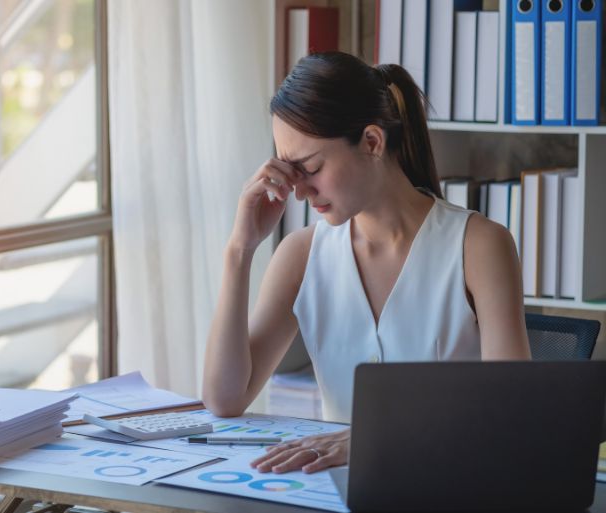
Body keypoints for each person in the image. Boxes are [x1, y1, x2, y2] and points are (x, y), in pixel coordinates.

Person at [201, 52, 531, 475]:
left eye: (312, 167)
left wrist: (382, 434)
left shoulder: (479, 246)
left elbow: (515, 409)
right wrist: (239, 250)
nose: (300, 192)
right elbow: (225, 398)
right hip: (337, 492)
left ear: (372, 142)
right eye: (290, 170)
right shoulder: (301, 256)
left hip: (454, 485)